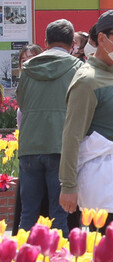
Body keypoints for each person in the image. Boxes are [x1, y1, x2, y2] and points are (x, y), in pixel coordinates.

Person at [59, 10, 113, 223]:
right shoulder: (87, 80)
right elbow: (72, 135)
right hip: (103, 178)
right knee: (110, 246)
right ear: (101, 38)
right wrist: (68, 185)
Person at [17, 19, 81, 233]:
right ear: (73, 43)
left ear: (45, 42)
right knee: (59, 216)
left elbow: (22, 104)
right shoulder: (78, 68)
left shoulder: (27, 68)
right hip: (61, 148)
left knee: (28, 215)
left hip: (29, 147)